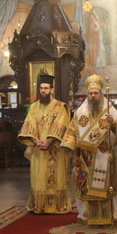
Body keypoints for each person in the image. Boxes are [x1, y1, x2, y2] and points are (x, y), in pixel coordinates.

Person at [61, 74, 117, 226]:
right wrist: (74, 155)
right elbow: (73, 134)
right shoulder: (80, 112)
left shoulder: (109, 108)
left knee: (106, 188)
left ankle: (110, 215)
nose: (93, 96)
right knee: (85, 187)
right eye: (90, 93)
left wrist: (113, 123)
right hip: (86, 157)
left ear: (100, 93)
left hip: (105, 154)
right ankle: (86, 216)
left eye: (95, 93)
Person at [18, 74, 74, 214]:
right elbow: (28, 126)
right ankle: (39, 205)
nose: (43, 91)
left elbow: (62, 125)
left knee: (56, 178)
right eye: (41, 88)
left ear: (52, 90)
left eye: (46, 88)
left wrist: (49, 141)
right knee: (39, 178)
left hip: (55, 149)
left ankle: (57, 206)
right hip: (38, 150)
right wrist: (36, 141)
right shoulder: (34, 108)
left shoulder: (60, 107)